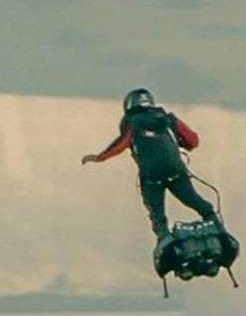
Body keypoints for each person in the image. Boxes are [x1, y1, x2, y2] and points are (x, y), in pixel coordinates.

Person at [81, 88, 221, 242]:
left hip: (151, 175)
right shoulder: (168, 119)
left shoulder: (132, 122)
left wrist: (100, 157)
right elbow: (193, 140)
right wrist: (179, 145)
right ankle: (215, 222)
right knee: (192, 198)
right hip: (175, 169)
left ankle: (164, 237)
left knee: (157, 212)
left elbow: (122, 143)